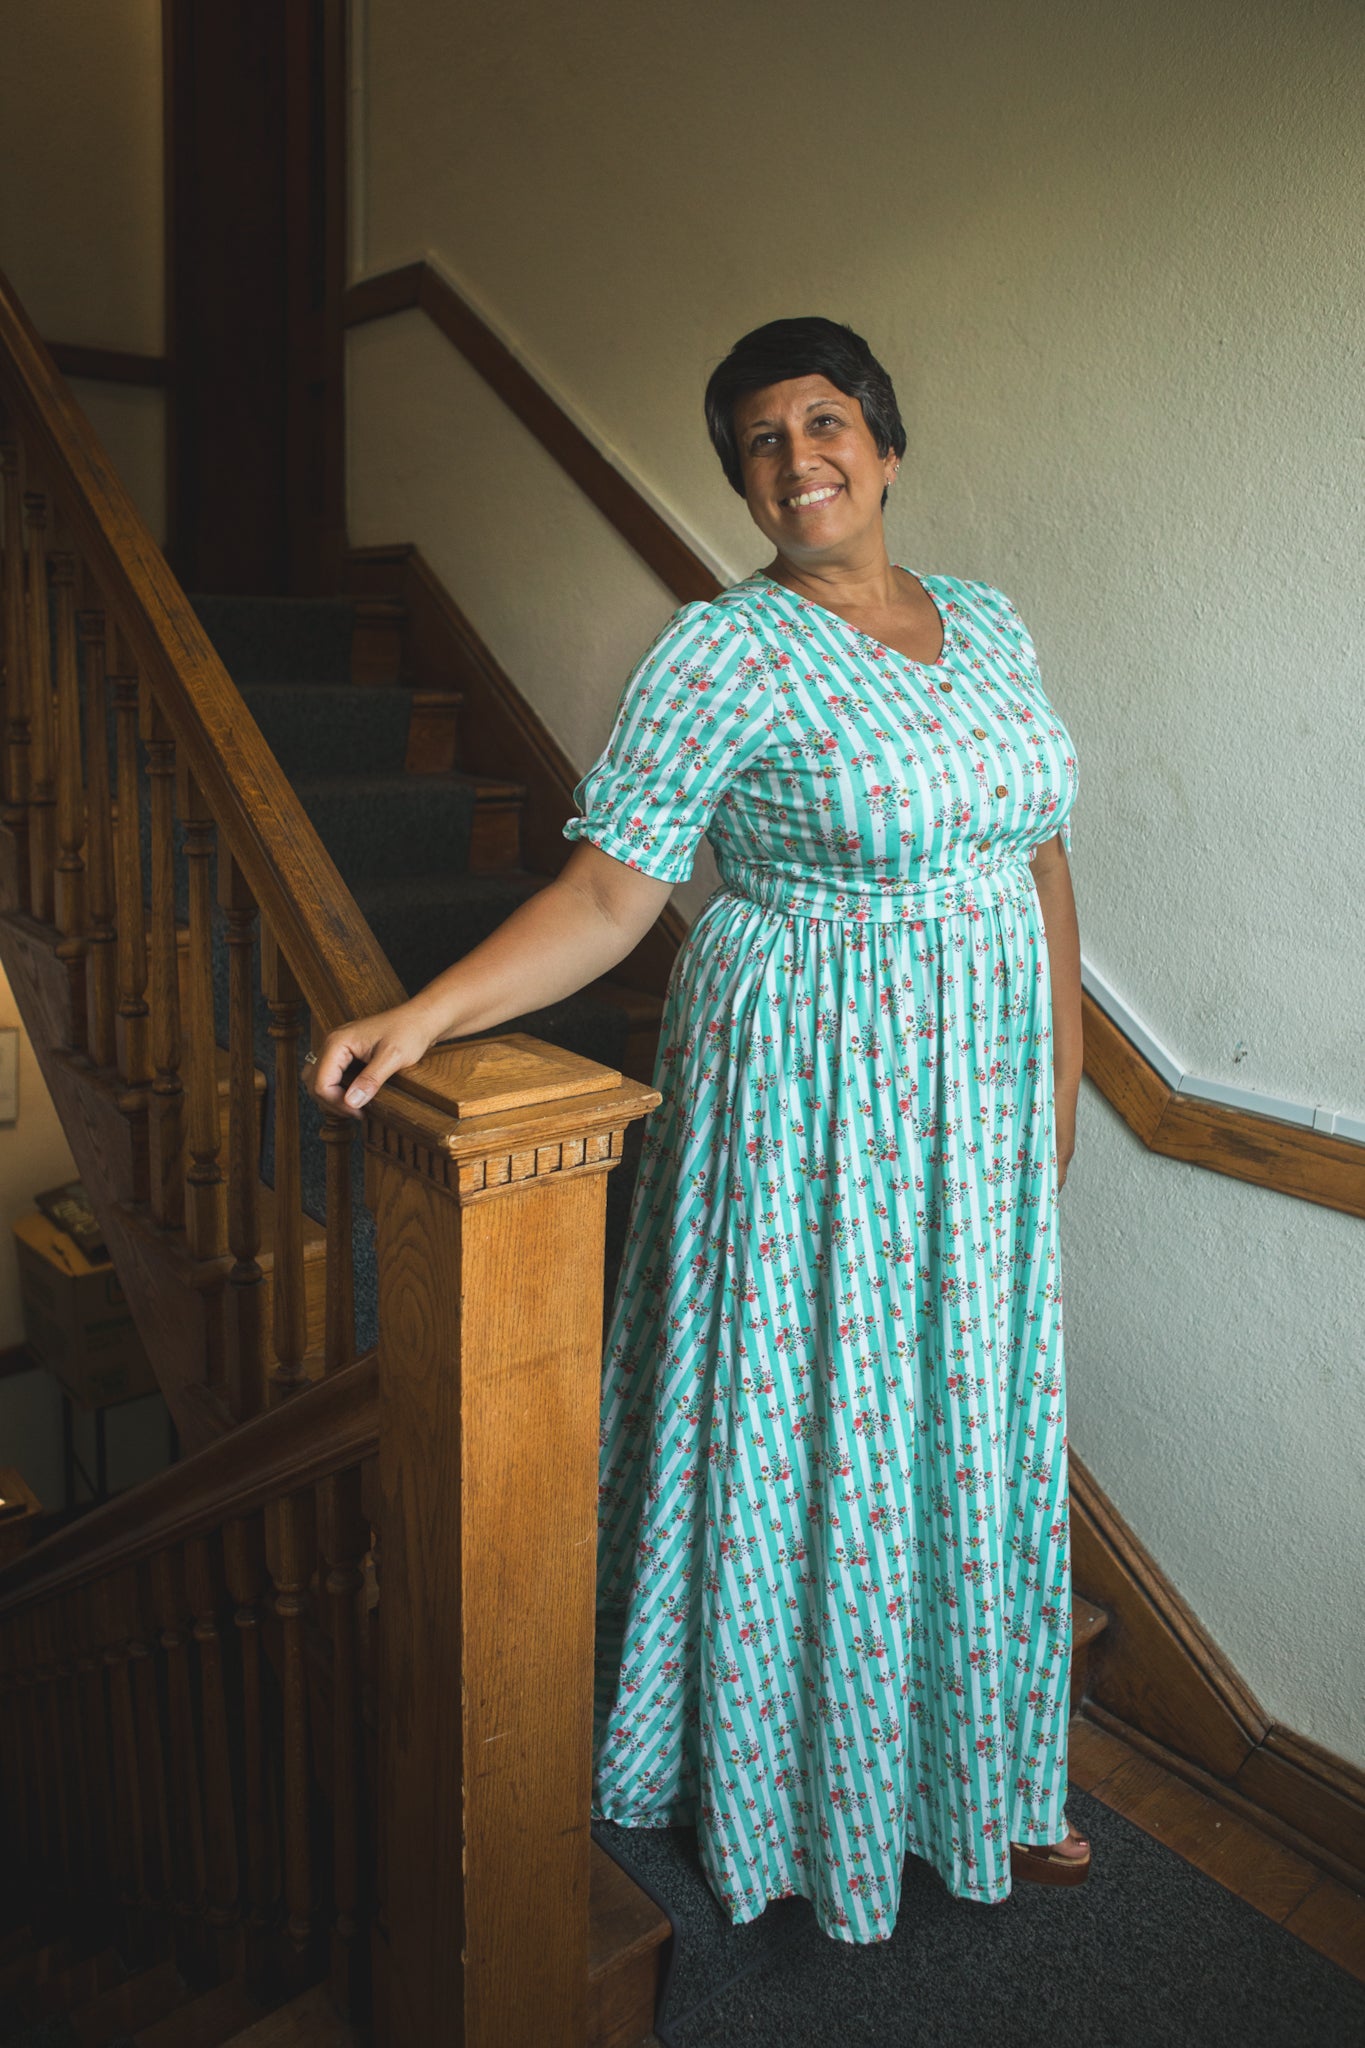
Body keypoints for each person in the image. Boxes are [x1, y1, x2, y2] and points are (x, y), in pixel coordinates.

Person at [308, 315, 1085, 1944]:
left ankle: (986, 1778)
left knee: (968, 1417)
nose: (796, 460)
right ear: (738, 481)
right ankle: (805, 1797)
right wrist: (425, 1012)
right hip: (810, 1094)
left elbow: (1036, 850)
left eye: (822, 423)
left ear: (882, 443)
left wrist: (1059, 1063)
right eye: (757, 441)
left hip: (978, 1100)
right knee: (822, 1425)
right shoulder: (718, 653)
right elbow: (606, 897)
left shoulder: (990, 623)